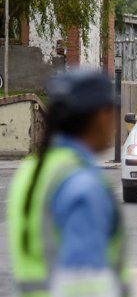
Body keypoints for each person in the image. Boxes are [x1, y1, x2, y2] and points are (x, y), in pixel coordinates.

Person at [6, 70, 130, 297]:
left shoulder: (33, 170)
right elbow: (83, 284)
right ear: (100, 115)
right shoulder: (81, 182)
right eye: (112, 112)